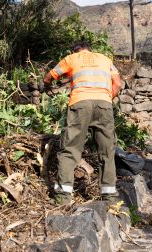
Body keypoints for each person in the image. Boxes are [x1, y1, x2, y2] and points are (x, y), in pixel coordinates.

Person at [43, 41, 122, 205]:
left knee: (70, 149)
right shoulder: (105, 59)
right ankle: (109, 197)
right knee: (106, 150)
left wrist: (46, 84)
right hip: (104, 105)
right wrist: (107, 98)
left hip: (80, 104)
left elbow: (50, 76)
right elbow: (118, 83)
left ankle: (63, 197)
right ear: (89, 50)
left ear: (75, 50)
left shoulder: (72, 58)